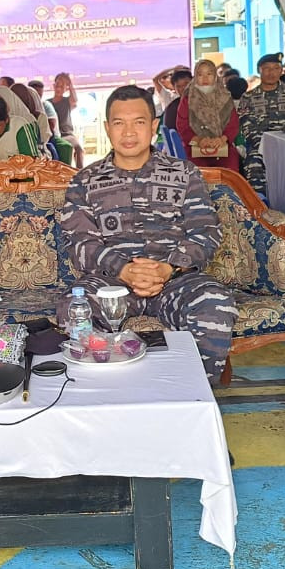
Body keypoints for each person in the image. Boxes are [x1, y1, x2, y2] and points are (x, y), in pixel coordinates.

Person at [59, 85, 236, 382]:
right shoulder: (85, 181)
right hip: (110, 283)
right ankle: (105, 392)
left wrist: (167, 268)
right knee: (73, 309)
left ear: (153, 126)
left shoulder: (184, 174)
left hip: (176, 279)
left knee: (215, 302)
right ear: (107, 128)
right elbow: (79, 243)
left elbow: (205, 231)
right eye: (119, 123)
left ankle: (193, 395)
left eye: (138, 122)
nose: (129, 132)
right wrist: (124, 270)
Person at [237, 54, 285, 194]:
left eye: (276, 68)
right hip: (259, 146)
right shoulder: (248, 97)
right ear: (259, 70)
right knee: (254, 164)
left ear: (281, 70)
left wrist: (283, 144)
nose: (271, 73)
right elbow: (246, 124)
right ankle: (260, 205)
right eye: (266, 69)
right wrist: (265, 146)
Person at [177, 59, 239, 170]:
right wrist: (198, 140)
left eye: (209, 74)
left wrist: (222, 139)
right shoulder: (188, 98)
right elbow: (182, 125)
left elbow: (233, 124)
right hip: (195, 148)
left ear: (215, 75)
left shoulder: (225, 97)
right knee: (199, 176)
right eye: (200, 74)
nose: (205, 78)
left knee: (230, 173)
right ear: (195, 77)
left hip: (222, 147)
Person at [51, 72, 85, 167]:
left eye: (62, 86)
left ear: (66, 88)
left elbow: (74, 100)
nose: (58, 88)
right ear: (54, 86)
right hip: (55, 135)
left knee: (78, 149)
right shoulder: (48, 103)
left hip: (68, 134)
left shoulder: (67, 102)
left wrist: (70, 86)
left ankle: (80, 172)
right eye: (57, 85)